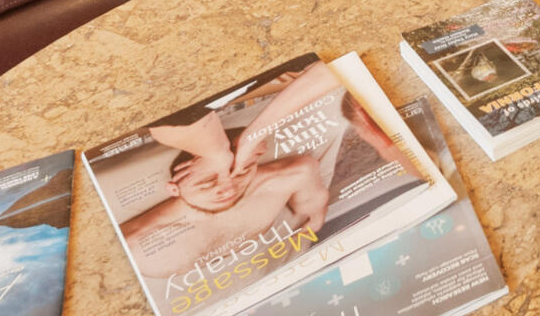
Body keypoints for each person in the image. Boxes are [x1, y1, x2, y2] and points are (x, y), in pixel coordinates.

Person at [117, 61, 387, 302]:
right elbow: (171, 123)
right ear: (173, 188)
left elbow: (314, 213)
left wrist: (249, 140)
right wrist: (215, 154)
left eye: (241, 171)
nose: (228, 188)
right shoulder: (134, 243)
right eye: (207, 182)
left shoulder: (290, 177)